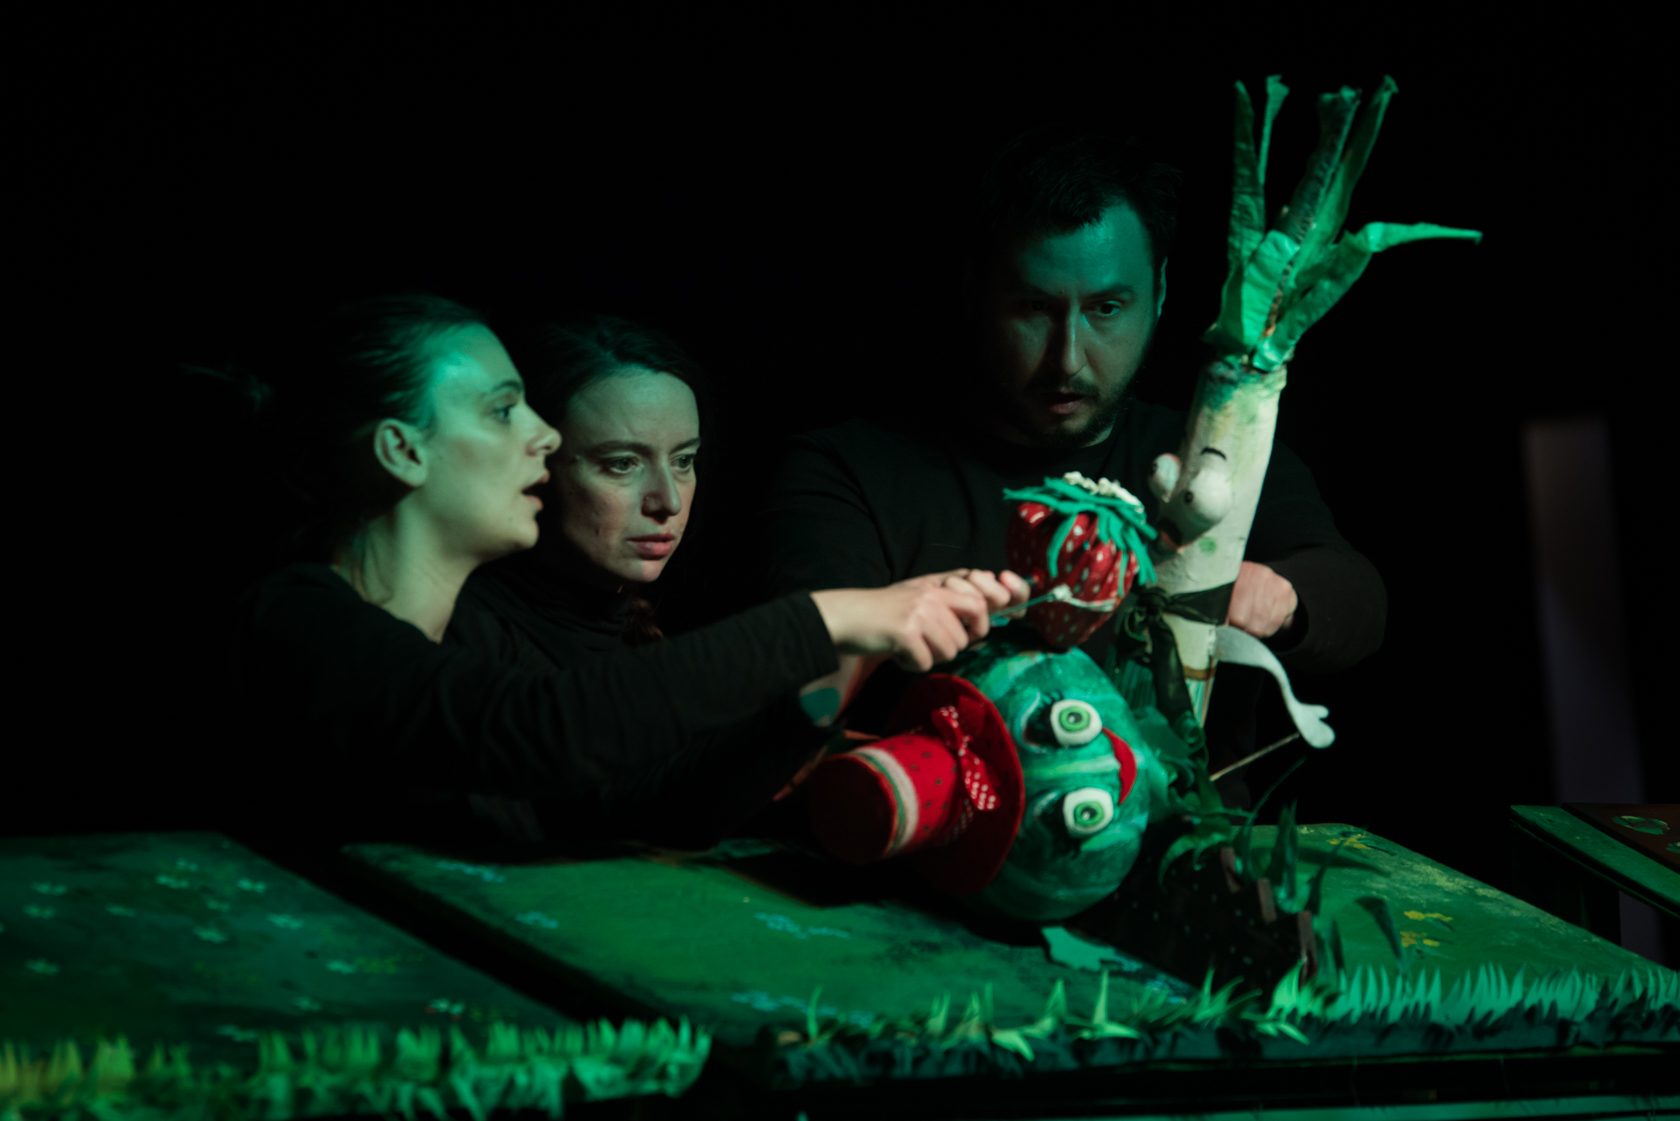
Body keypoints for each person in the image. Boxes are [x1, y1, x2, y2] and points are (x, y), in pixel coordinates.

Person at [233, 294, 1026, 844]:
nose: (545, 438)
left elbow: (653, 799)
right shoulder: (298, 617)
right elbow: (547, 728)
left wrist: (846, 660)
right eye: (504, 410)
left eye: (686, 460)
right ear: (402, 450)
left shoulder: (455, 642)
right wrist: (834, 616)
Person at [756, 130, 1385, 781]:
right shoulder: (847, 470)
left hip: (1190, 839)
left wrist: (1279, 596)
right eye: (1035, 307)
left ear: (1159, 293)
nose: (1069, 359)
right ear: (976, 292)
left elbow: (1359, 600)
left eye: (1107, 308)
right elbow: (797, 686)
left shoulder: (1221, 456)